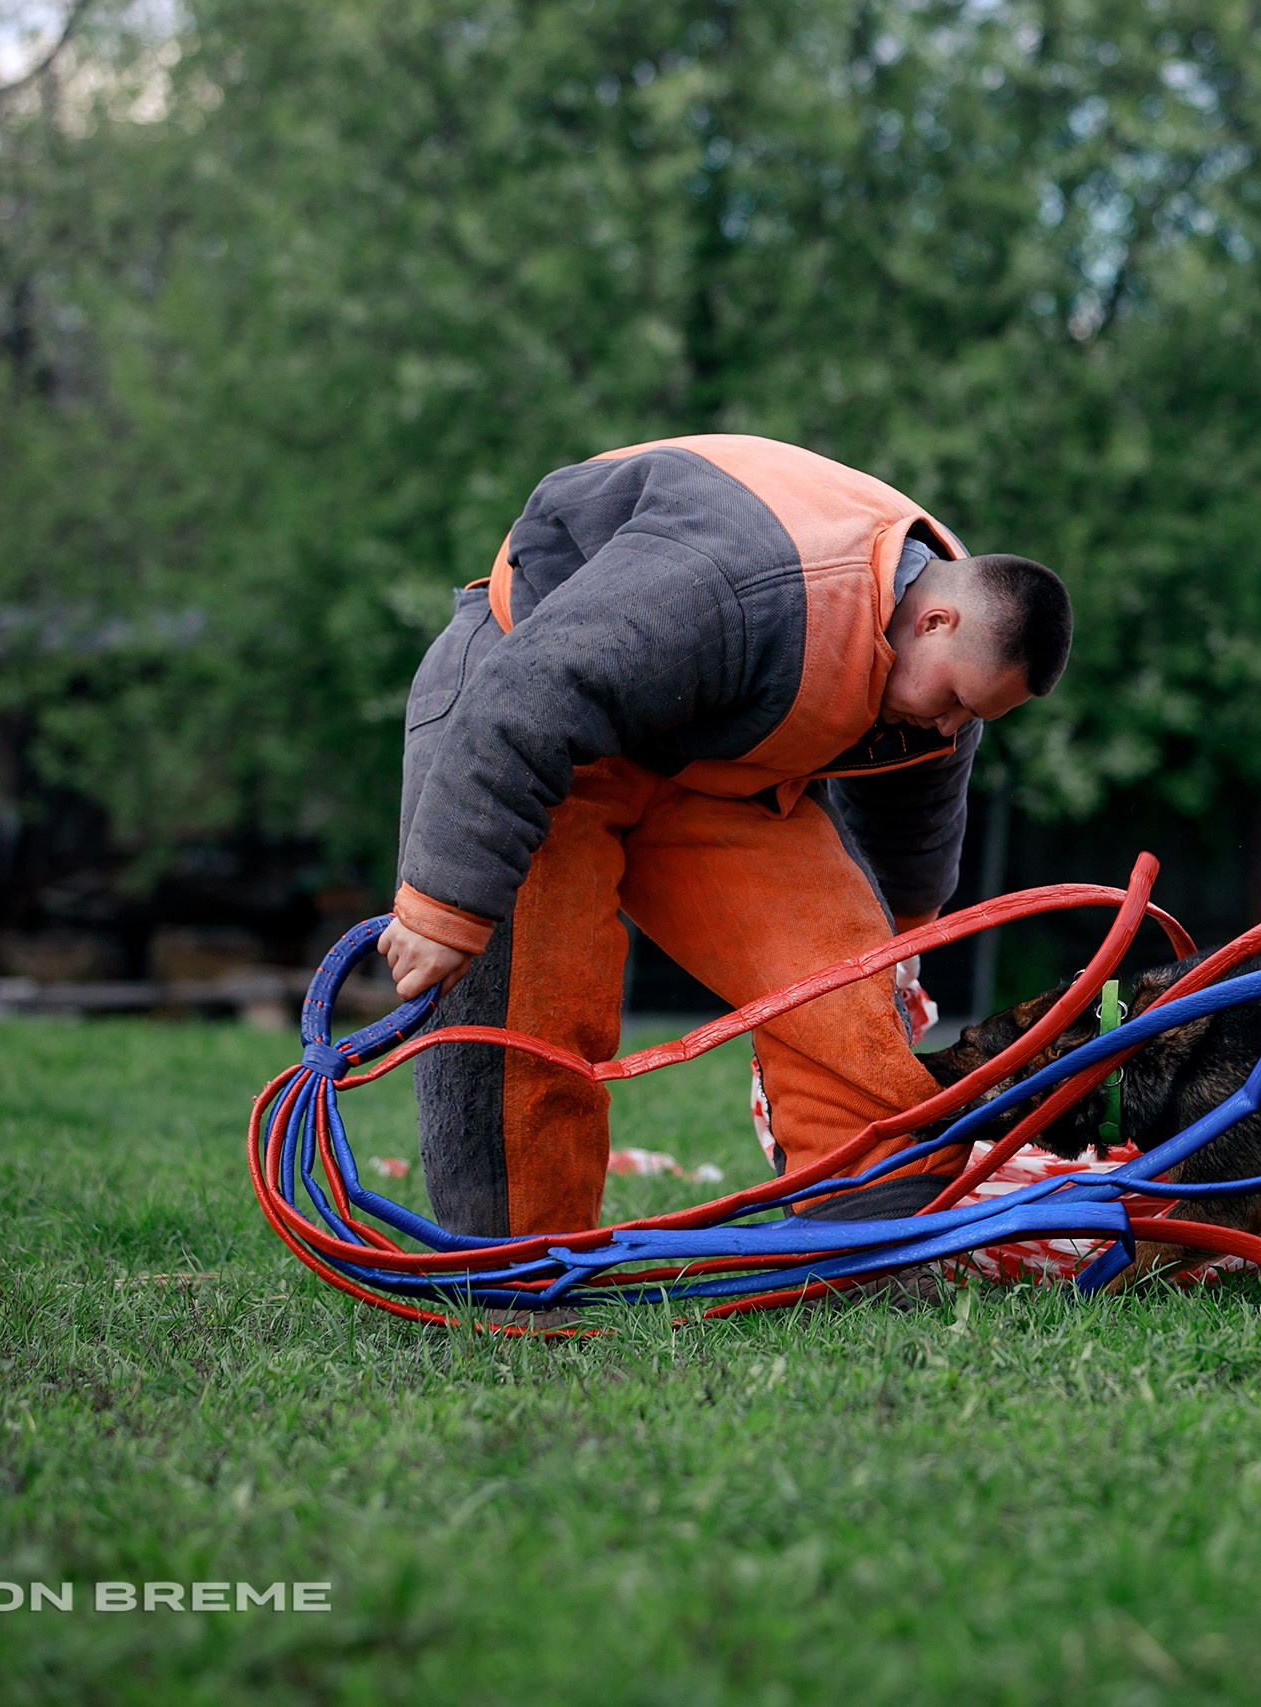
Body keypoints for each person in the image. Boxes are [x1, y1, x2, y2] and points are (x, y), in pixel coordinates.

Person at [380, 433, 1070, 1240]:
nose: (951, 726)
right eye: (955, 700)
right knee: (532, 1006)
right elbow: (529, 696)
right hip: (537, 724)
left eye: (972, 716)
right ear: (936, 619)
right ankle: (519, 1258)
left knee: (845, 982)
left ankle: (870, 1229)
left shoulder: (943, 655)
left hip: (717, 769)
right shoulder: (740, 583)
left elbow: (917, 811)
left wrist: (904, 938)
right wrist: (443, 908)